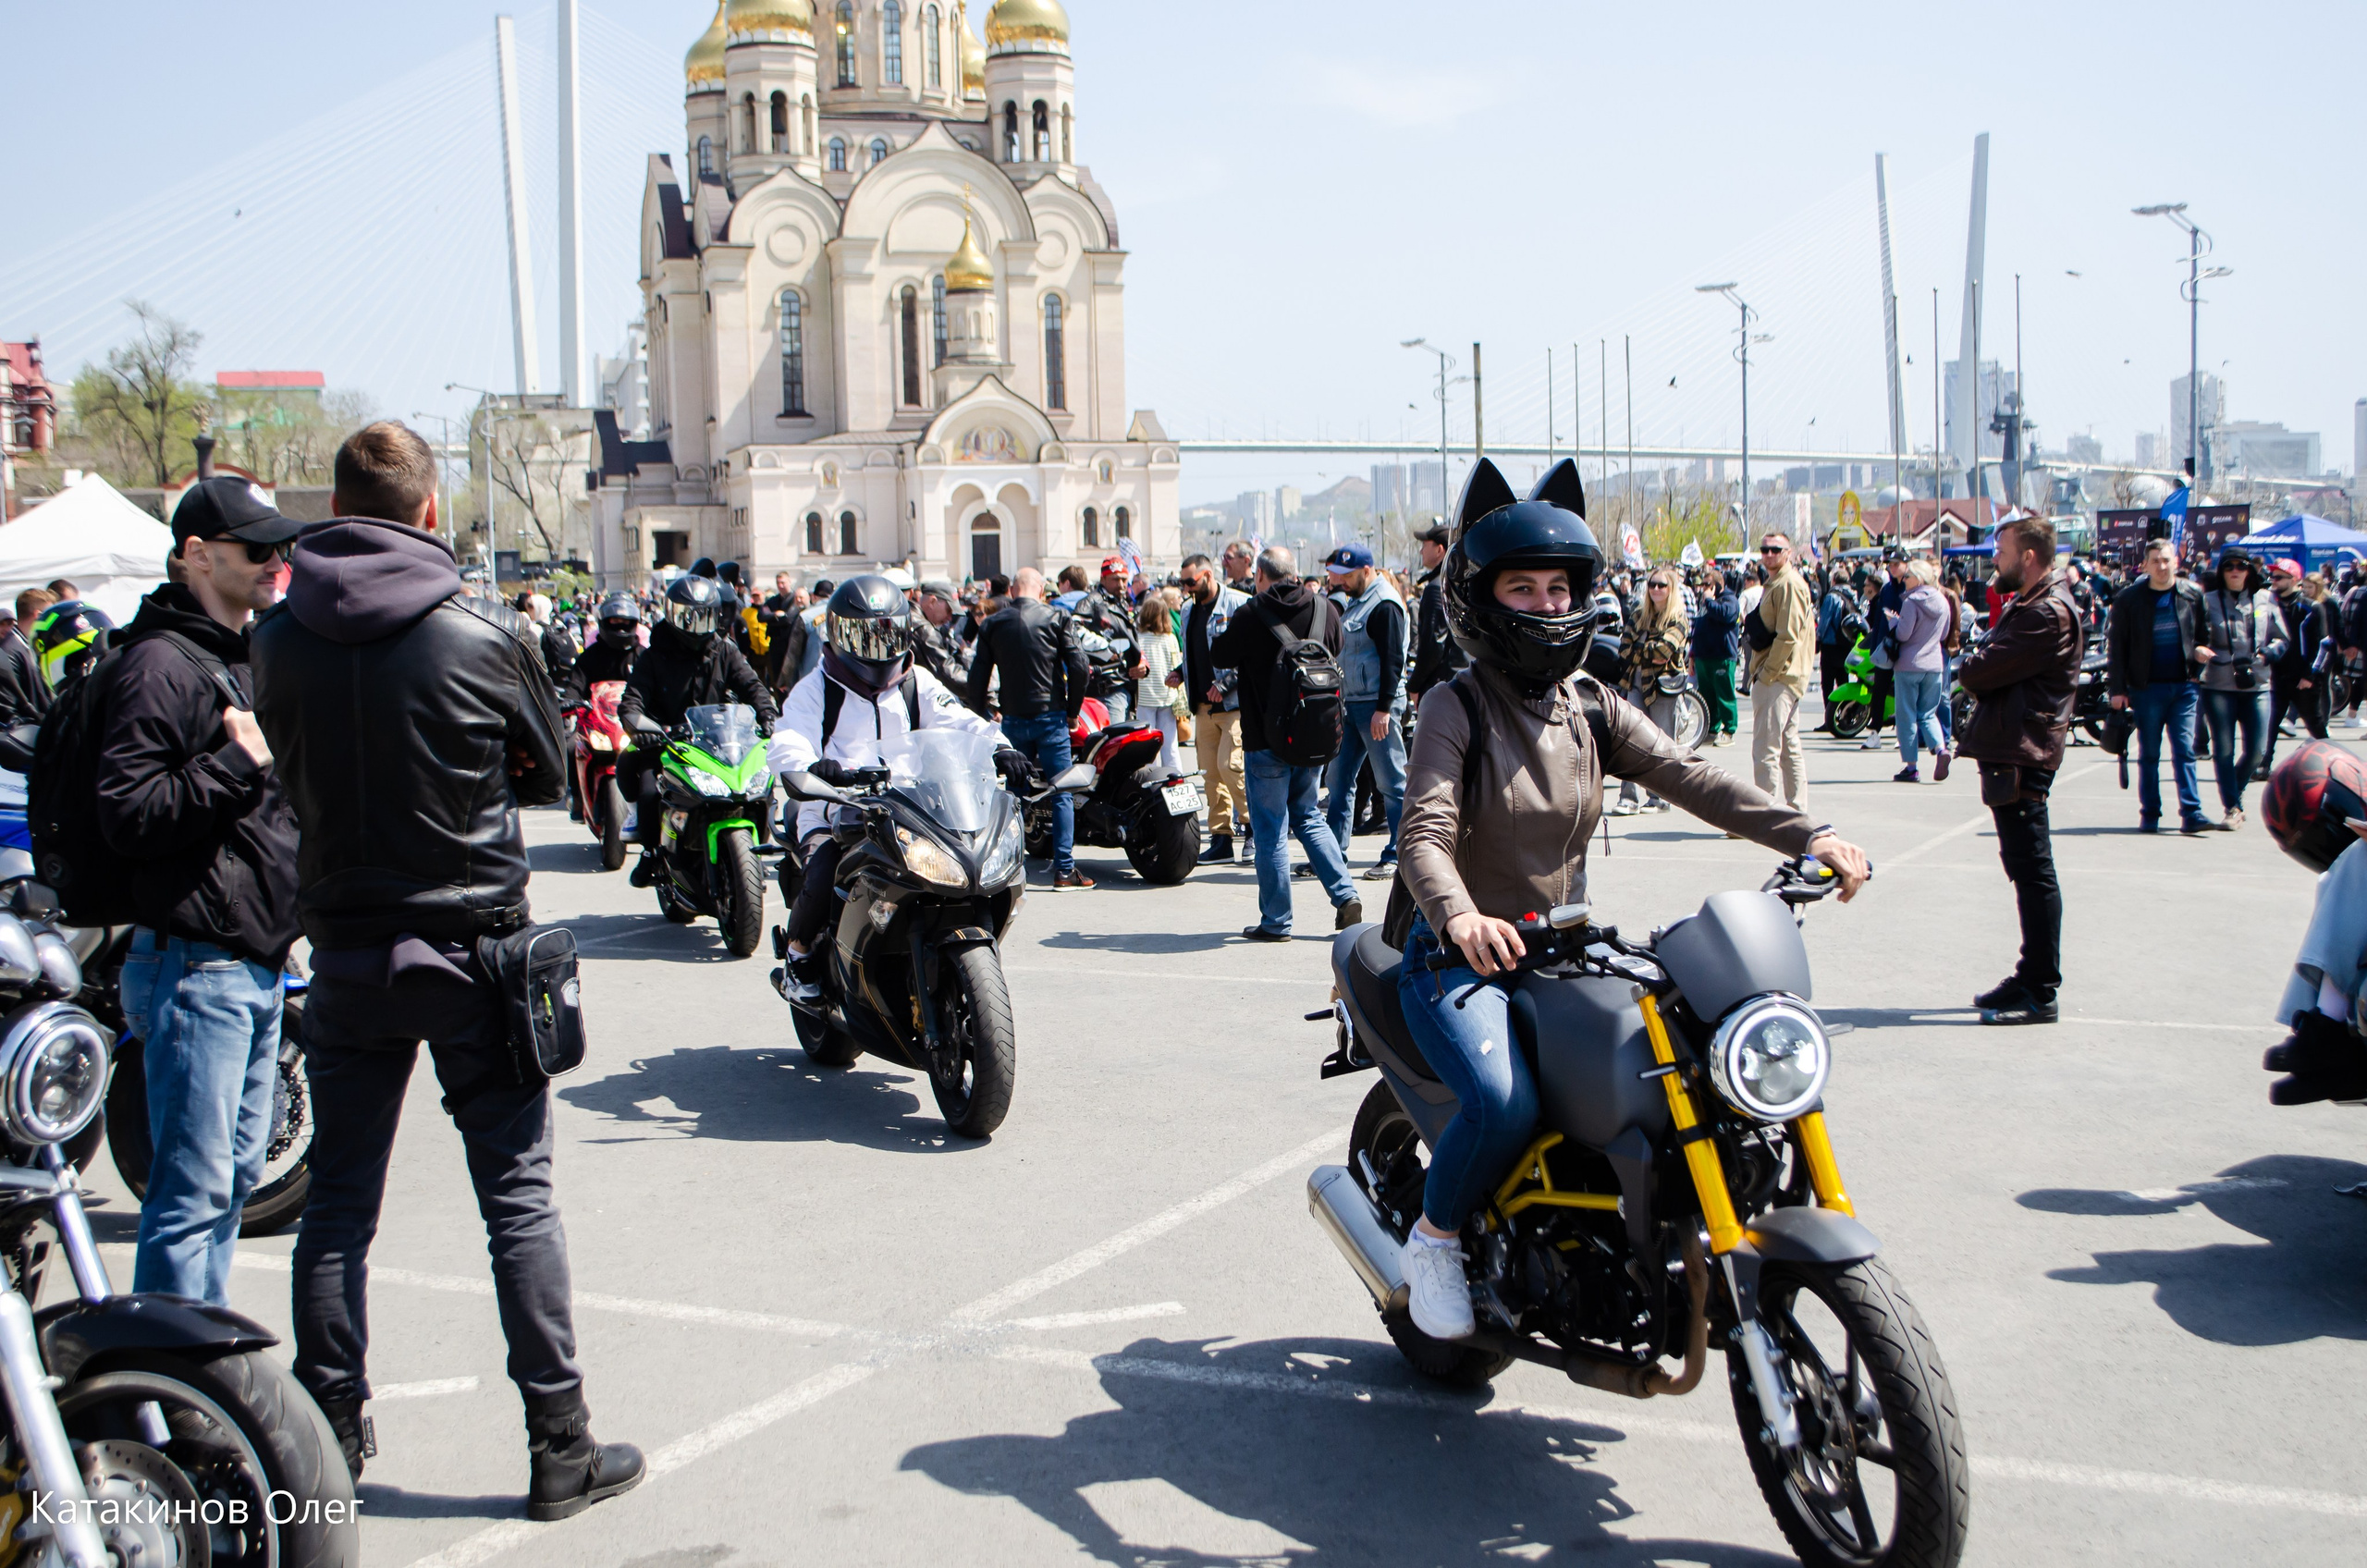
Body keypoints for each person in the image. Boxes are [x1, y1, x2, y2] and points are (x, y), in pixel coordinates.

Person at [250, 421, 643, 1512]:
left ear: (334, 507)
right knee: (516, 1204)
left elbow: (286, 766)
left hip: (345, 950)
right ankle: (558, 1446)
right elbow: (550, 770)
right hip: (473, 948)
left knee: (335, 1206)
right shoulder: (477, 628)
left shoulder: (277, 639)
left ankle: (323, 1442)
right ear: (429, 512)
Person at [1392, 459, 1870, 1341]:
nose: (1544, 602)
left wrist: (1807, 833)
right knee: (1502, 1101)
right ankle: (1435, 1236)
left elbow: (1691, 775)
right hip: (1458, 959)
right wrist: (1457, 914)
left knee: (1681, 1055)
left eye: (1558, 585)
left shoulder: (1590, 704)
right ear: (1482, 599)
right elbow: (1423, 831)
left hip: (1563, 949)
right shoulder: (1454, 707)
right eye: (1522, 587)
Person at [93, 476, 301, 1306]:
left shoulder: (232, 654)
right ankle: (172, 1395)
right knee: (191, 1200)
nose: (275, 562)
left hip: (245, 963)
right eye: (257, 549)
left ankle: (192, 1379)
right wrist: (234, 764)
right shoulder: (157, 664)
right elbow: (128, 814)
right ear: (198, 557)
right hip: (195, 966)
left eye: (280, 546)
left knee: (225, 1190)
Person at [769, 576, 1019, 1001]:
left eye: (887, 632)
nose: (878, 646)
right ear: (839, 633)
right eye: (865, 635)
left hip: (910, 805)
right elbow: (789, 737)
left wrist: (999, 747)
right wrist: (811, 766)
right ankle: (798, 957)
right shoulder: (817, 687)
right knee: (826, 861)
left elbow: (958, 719)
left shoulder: (915, 681)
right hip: (835, 805)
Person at [1208, 546, 1361, 940]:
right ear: (1294, 573)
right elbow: (1337, 648)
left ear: (1260, 576)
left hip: (1266, 739)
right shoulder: (1326, 608)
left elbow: (1220, 653)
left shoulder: (1250, 612)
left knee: (1272, 829)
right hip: (1313, 734)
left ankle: (1277, 922)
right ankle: (1346, 896)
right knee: (1308, 815)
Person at [618, 574, 779, 858]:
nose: (694, 624)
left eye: (703, 616)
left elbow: (753, 686)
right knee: (647, 791)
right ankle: (653, 856)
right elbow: (632, 700)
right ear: (670, 614)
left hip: (719, 742)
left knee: (759, 785)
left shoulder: (725, 650)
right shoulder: (653, 657)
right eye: (686, 616)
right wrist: (640, 725)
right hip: (667, 743)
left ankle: (756, 846)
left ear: (716, 615)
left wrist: (767, 714)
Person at [967, 567, 1094, 888]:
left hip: (1012, 718)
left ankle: (1012, 867)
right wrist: (1072, 710)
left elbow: (978, 675)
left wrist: (980, 714)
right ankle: (1064, 870)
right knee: (1062, 790)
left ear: (1012, 591)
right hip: (1051, 717)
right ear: (1040, 590)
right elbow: (1080, 665)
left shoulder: (994, 623)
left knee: (1014, 795)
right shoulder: (1057, 618)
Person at [2105, 536, 2210, 835]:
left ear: (2176, 561)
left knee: (2185, 751)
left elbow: (2205, 634)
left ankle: (2192, 813)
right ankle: (2150, 813)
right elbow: (2118, 648)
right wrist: (2118, 690)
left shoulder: (2192, 594)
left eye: (2166, 560)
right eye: (2156, 561)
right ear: (2146, 565)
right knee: (2149, 754)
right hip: (2146, 688)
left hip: (2184, 687)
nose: (2162, 566)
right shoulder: (2129, 599)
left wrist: (2201, 654)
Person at [1318, 543, 1410, 878]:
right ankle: (1332, 855)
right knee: (1339, 782)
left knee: (1392, 782)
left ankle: (1399, 854)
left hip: (1375, 706)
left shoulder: (1384, 604)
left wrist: (1384, 708)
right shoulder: (1359, 601)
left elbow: (1393, 660)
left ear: (1367, 571)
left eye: (1348, 575)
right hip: (1353, 704)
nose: (1341, 581)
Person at [2197, 549, 2286, 830]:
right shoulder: (2207, 601)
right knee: (2223, 748)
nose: (2235, 571)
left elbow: (2282, 640)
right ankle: (2233, 807)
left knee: (2258, 750)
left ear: (2249, 571)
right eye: (2229, 567)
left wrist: (2267, 654)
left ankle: (2233, 789)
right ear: (2221, 572)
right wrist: (2202, 651)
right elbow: (2196, 636)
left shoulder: (2266, 599)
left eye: (2241, 566)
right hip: (2219, 682)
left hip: (2257, 683)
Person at [1179, 553, 1249, 862]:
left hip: (1233, 704)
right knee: (1210, 775)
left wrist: (1227, 684)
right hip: (1202, 706)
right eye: (1182, 582)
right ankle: (1221, 837)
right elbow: (1192, 653)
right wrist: (1180, 674)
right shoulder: (1186, 610)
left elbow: (1250, 656)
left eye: (1190, 581)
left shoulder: (1237, 604)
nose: (1185, 588)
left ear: (1207, 575)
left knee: (1231, 766)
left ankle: (1253, 829)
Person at [1613, 564, 1689, 814]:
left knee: (1661, 745)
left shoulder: (1677, 617)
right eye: (1652, 584)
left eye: (1662, 585)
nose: (1656, 589)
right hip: (1634, 683)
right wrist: (1649, 653)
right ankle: (1629, 798)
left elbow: (1665, 649)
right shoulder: (1638, 614)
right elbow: (1623, 649)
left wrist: (1642, 650)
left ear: (1671, 589)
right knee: (1630, 739)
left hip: (1663, 688)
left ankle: (1659, 798)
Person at [1748, 533, 1814, 814]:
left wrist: (1768, 674)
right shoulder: (1776, 582)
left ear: (1788, 553)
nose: (1769, 554)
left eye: (1776, 549)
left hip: (1780, 677)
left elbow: (1789, 636)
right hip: (1782, 676)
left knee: (1766, 750)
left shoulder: (1789, 584)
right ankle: (1795, 811)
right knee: (1787, 746)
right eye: (1765, 549)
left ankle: (1766, 814)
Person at [1889, 557, 1953, 783]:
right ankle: (1941, 749)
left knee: (1906, 715)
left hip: (1909, 663)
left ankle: (1911, 767)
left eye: (1908, 576)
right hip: (1934, 663)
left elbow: (1903, 634)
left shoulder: (1911, 601)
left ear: (1920, 578)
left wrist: (1893, 624)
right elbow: (1944, 634)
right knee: (1927, 713)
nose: (1904, 579)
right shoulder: (1942, 600)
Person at [2265, 559, 2333, 766]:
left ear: (2294, 580)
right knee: (2270, 724)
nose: (2273, 581)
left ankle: (2331, 763)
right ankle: (2263, 763)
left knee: (2315, 724)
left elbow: (2323, 645)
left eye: (2279, 577)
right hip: (2277, 674)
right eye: (2272, 577)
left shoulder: (2311, 607)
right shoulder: (2268, 604)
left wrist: (2309, 675)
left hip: (2304, 676)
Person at [1406, 521, 1466, 709]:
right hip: (1461, 679)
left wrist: (1415, 685)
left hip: (1441, 684)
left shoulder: (1436, 588)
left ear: (1440, 550)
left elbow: (1433, 644)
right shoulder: (1461, 583)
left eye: (1425, 545)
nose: (1421, 551)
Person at [1133, 597, 1186, 772]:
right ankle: (1174, 778)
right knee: (1169, 744)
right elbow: (1176, 664)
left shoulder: (1138, 638)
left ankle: (1149, 779)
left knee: (1146, 744)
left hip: (1145, 696)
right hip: (1167, 696)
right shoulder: (1169, 638)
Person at [1690, 568, 1740, 746]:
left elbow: (1725, 615)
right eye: (1702, 584)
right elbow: (1697, 628)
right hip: (1704, 655)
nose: (1703, 588)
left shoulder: (1729, 600)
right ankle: (1711, 728)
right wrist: (1692, 655)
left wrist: (1710, 600)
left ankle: (1729, 730)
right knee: (1707, 695)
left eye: (1707, 584)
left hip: (1722, 655)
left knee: (1724, 694)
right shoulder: (1705, 603)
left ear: (1718, 585)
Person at [0, 586, 55, 727]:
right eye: (51, 615)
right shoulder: (10, 650)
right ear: (38, 615)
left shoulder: (26, 645)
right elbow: (9, 710)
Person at [1814, 571, 1858, 729]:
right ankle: (1846, 717)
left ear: (1833, 580)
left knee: (1827, 683)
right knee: (1843, 681)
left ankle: (1830, 718)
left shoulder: (1832, 596)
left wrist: (1818, 638)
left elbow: (1825, 621)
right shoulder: (1853, 595)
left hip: (1831, 643)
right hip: (1846, 643)